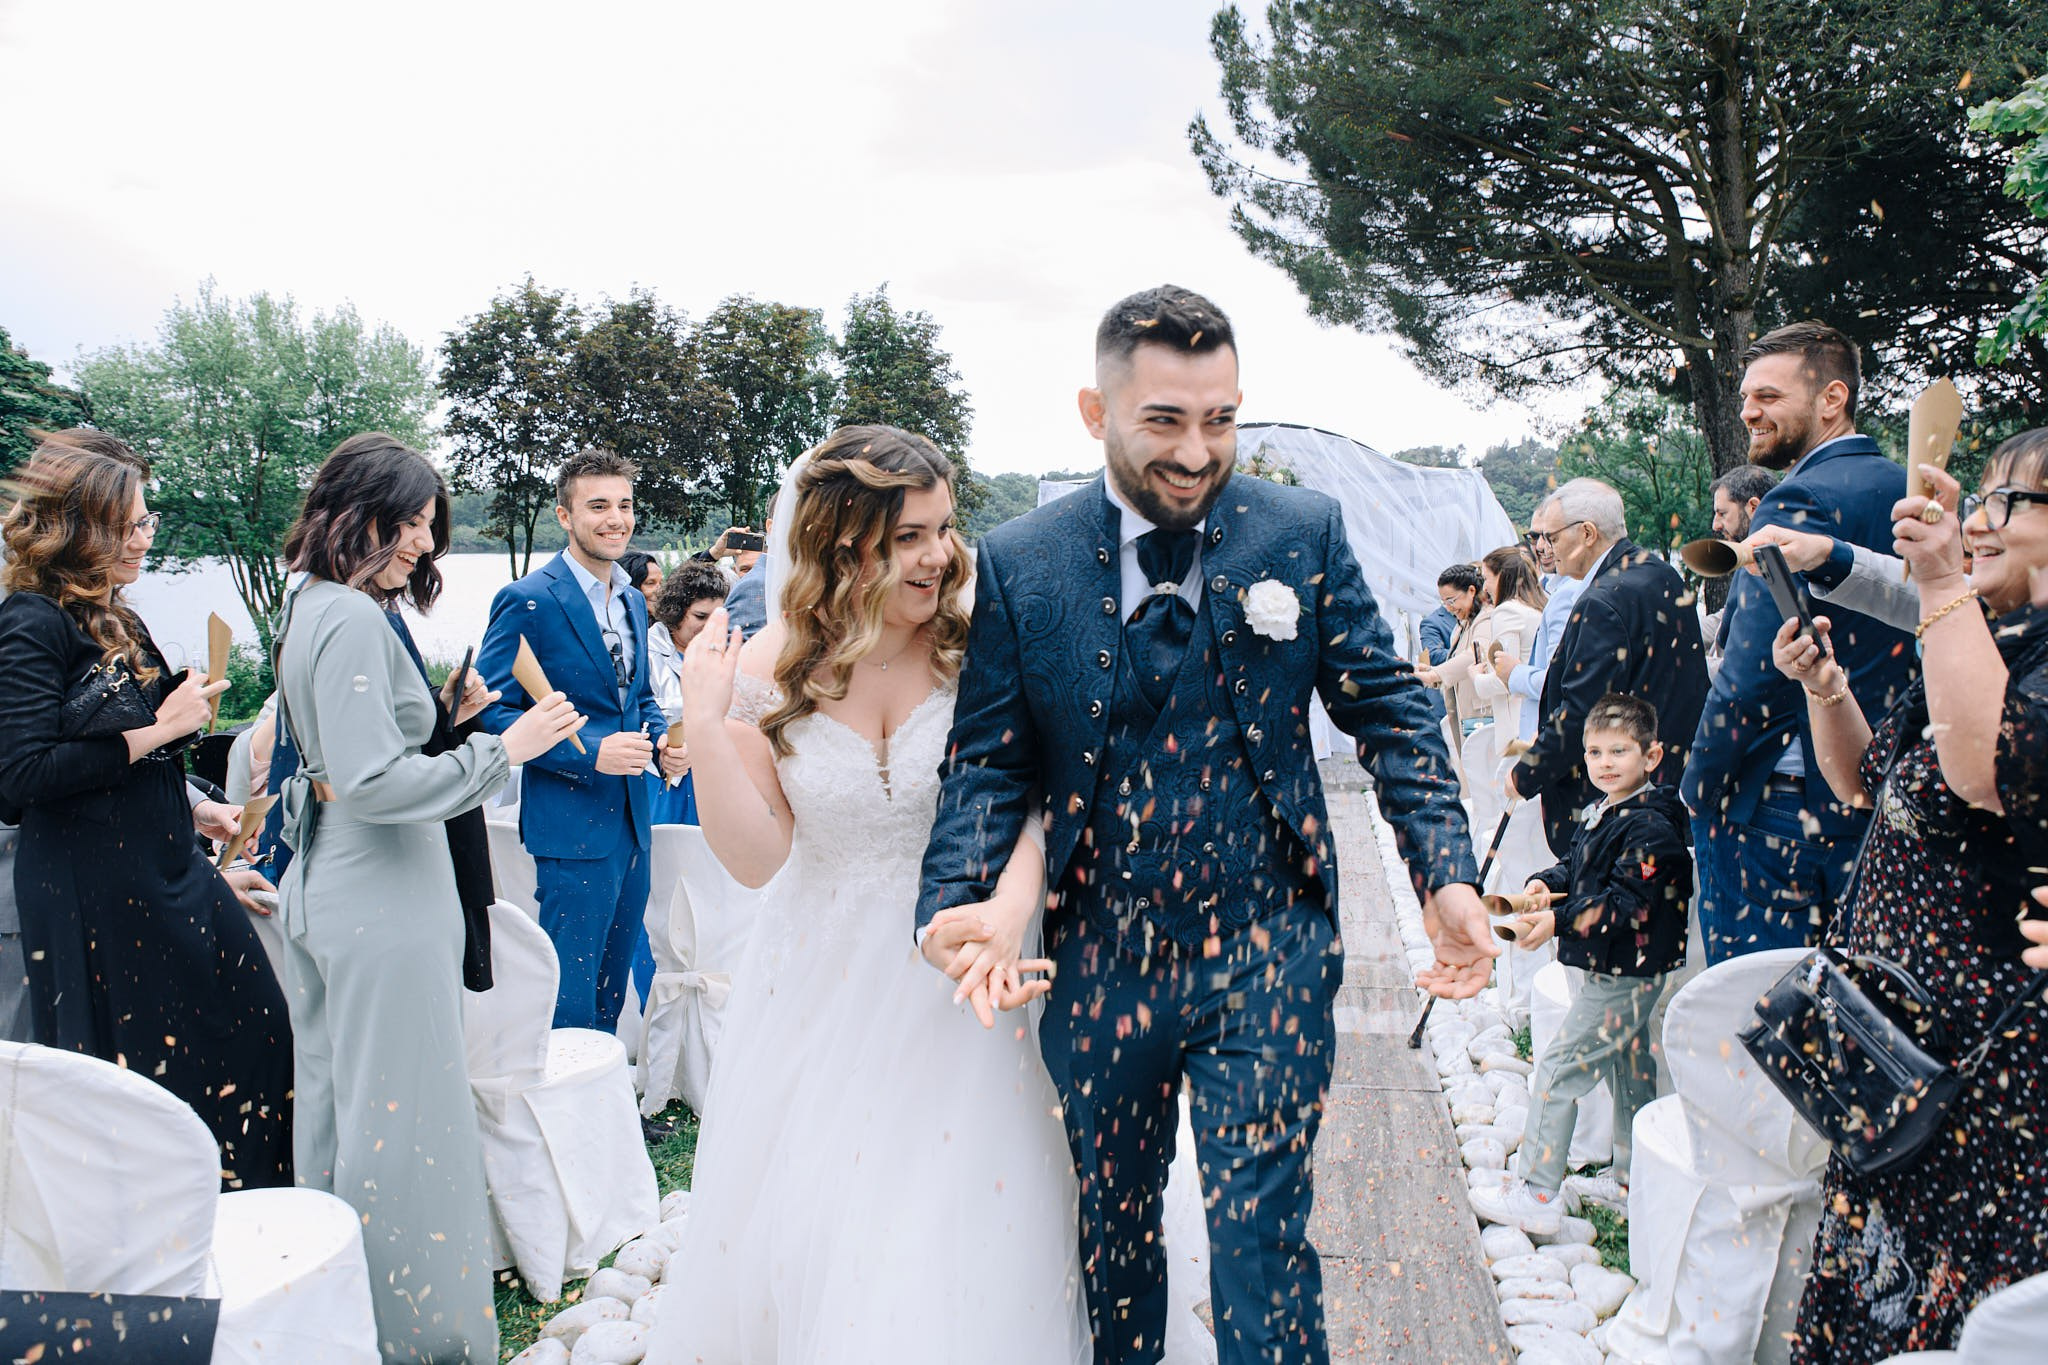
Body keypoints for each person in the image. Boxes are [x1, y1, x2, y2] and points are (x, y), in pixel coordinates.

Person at [917, 285, 1491, 1365]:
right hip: (1097, 959)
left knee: (1260, 1241)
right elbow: (989, 761)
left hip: (1267, 949)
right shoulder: (1018, 560)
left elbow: (1391, 711)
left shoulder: (1300, 531)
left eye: (1219, 419)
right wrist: (955, 899)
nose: (1196, 452)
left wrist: (1442, 874)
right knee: (1115, 1236)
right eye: (1165, 421)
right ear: (1095, 412)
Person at [650, 426, 1098, 1364]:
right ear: (841, 543)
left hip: (973, 959)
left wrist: (1010, 915)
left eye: (943, 528)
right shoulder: (770, 668)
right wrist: (702, 718)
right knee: (829, 1219)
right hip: (820, 980)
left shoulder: (982, 637)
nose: (940, 555)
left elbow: (1033, 797)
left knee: (964, 1214)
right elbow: (756, 857)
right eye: (909, 538)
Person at [272, 433, 584, 1363]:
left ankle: (337, 1319)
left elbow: (350, 758)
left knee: (338, 1113)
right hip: (385, 893)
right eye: (407, 521)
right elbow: (371, 781)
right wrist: (504, 749)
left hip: (333, 884)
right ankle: (423, 1336)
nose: (421, 542)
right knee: (406, 1123)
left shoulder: (312, 606)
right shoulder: (357, 619)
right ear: (354, 511)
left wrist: (445, 720)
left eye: (427, 523)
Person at [1767, 431, 2048, 1361]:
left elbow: (1982, 772)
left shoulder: (2008, 645)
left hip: (1983, 1077)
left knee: (1948, 1311)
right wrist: (1826, 688)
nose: (1977, 519)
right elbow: (1865, 785)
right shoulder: (1982, 633)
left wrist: (1936, 584)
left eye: (2006, 502)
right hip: (1894, 1044)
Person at [0, 437, 293, 1187]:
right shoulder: (30, 623)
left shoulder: (114, 615)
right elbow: (19, 776)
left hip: (167, 868)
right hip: (93, 892)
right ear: (79, 528)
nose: (143, 538)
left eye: (145, 522)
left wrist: (197, 812)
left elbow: (123, 764)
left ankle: (248, 1212)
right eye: (129, 525)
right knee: (146, 1075)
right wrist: (163, 728)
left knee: (255, 1031)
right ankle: (165, 1238)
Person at [1683, 322, 1916, 964]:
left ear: (1831, 399)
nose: (1747, 412)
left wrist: (1698, 788)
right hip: (1888, 793)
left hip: (1784, 808)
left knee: (1757, 1012)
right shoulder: (1909, 489)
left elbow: (1751, 675)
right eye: (1743, 398)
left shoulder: (1793, 499)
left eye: (1767, 397)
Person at [474, 448, 685, 1031]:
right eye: (598, 506)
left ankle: (608, 1115)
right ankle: (566, 1118)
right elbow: (490, 715)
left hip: (633, 820)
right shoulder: (527, 601)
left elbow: (638, 698)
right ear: (565, 516)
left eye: (624, 505)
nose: (616, 519)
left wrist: (663, 741)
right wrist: (590, 753)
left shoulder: (635, 601)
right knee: (570, 987)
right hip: (570, 827)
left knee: (613, 987)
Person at [1472, 693, 1691, 1233]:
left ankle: (1539, 1194)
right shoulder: (1610, 809)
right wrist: (1545, 885)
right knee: (1630, 1068)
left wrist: (1559, 921)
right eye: (1594, 752)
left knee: (1559, 1068)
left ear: (1653, 756)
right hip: (1626, 967)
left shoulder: (1652, 828)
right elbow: (1579, 866)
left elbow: (1625, 904)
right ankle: (1629, 1178)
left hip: (1625, 971)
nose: (1604, 763)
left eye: (1619, 751)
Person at [1509, 479, 1708, 857]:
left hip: (1615, 800)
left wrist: (1526, 773)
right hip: (1667, 778)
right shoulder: (1660, 572)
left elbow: (1583, 710)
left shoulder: (1602, 600)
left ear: (1586, 533)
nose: (1546, 548)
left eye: (1551, 537)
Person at [1491, 495, 1585, 755]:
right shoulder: (1553, 589)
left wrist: (1514, 673)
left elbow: (1561, 680)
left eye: (1549, 537)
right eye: (1534, 537)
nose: (1541, 547)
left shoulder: (1567, 594)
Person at [645, 559, 728, 826]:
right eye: (701, 617)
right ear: (675, 611)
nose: (709, 626)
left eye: (717, 618)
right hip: (661, 779)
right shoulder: (646, 653)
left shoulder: (726, 650)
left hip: (713, 780)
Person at [1703, 465, 1780, 667]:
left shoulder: (1772, 566)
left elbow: (1751, 663)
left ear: (1753, 507)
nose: (1715, 525)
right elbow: (1727, 617)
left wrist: (1690, 664)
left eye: (1722, 513)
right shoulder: (1750, 553)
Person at [1470, 545, 1547, 743]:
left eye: (1486, 578)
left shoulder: (1507, 612)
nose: (1484, 587)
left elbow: (1505, 678)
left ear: (1502, 577)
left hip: (1517, 725)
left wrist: (1477, 678)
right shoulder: (1540, 606)